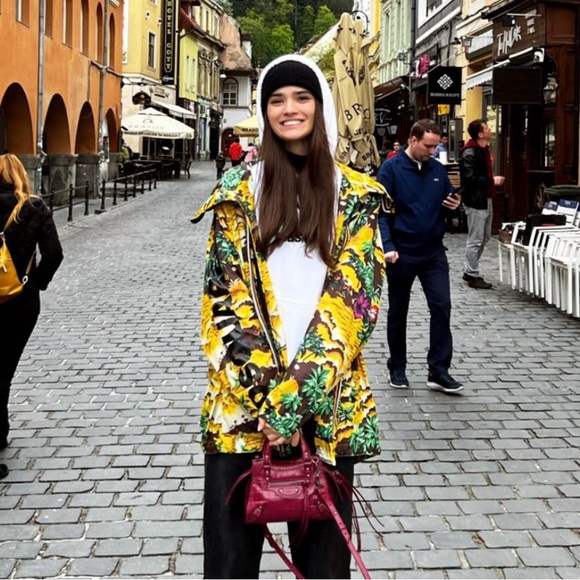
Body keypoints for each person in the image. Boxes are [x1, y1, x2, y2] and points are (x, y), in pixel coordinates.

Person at [191, 53, 390, 579]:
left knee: (324, 569)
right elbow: (223, 302)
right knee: (229, 566)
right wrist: (267, 401)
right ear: (264, 111)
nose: (289, 109)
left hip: (327, 403)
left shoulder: (355, 197)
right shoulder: (238, 194)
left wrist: (291, 406)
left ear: (320, 106)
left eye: (302, 97)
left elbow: (353, 305)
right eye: (276, 100)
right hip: (242, 409)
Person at [377, 120, 464, 395]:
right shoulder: (390, 169)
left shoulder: (437, 169)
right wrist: (387, 246)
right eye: (427, 145)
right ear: (412, 140)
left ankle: (438, 370)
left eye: (435, 146)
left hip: (433, 252)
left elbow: (446, 204)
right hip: (401, 252)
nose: (432, 151)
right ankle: (397, 366)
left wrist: (454, 205)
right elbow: (380, 213)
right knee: (398, 311)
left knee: (442, 306)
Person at [0, 154, 63, 459]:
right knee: (4, 368)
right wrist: (33, 284)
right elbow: (54, 254)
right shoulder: (34, 207)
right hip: (20, 303)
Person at [460, 119, 505, 289]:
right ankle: (472, 273)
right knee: (476, 239)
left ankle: (469, 269)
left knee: (484, 237)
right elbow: (469, 179)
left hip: (485, 198)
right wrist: (492, 181)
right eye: (487, 128)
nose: (490, 129)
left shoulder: (482, 150)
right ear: (480, 134)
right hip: (475, 200)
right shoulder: (470, 153)